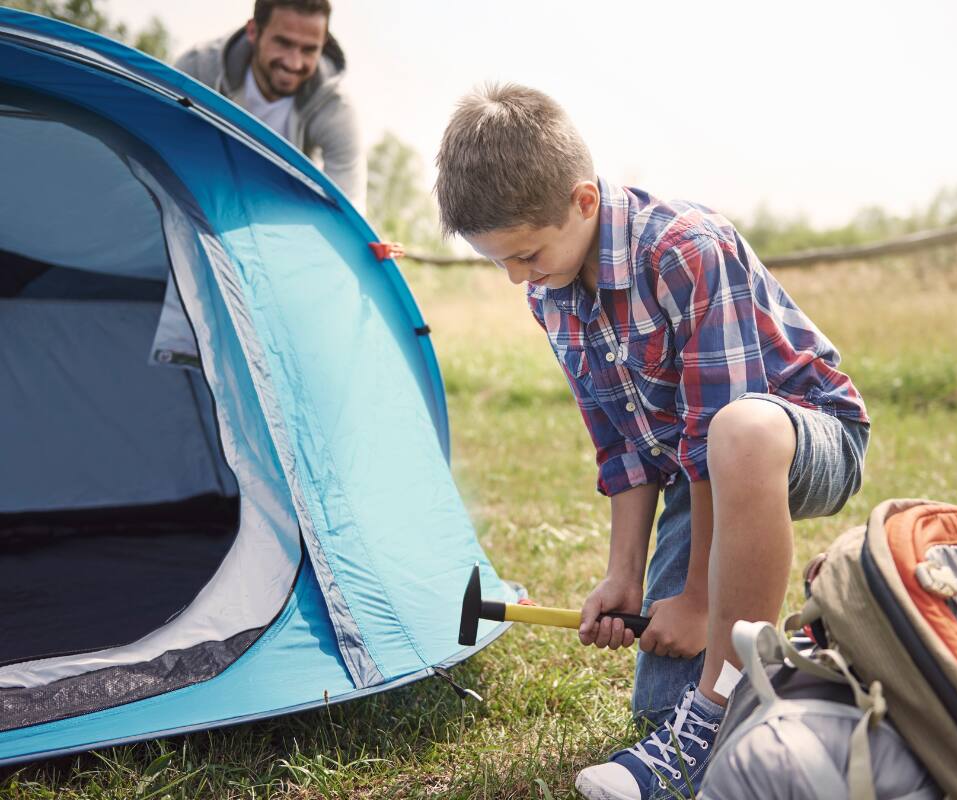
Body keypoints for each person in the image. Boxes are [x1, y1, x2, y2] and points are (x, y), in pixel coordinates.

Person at [435, 84, 870, 800]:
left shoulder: (685, 249)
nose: (517, 276)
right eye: (500, 263)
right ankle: (739, 697)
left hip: (800, 439)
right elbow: (625, 449)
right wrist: (624, 577)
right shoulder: (551, 290)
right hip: (696, 475)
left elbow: (714, 433)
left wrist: (700, 595)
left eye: (526, 254)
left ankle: (724, 711)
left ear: (582, 202)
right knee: (661, 702)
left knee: (740, 433)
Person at [175, 0, 366, 208]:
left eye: (309, 50)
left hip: (278, 215)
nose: (294, 63)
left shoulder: (335, 109)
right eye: (284, 43)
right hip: (199, 194)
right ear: (253, 31)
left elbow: (349, 206)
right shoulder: (198, 70)